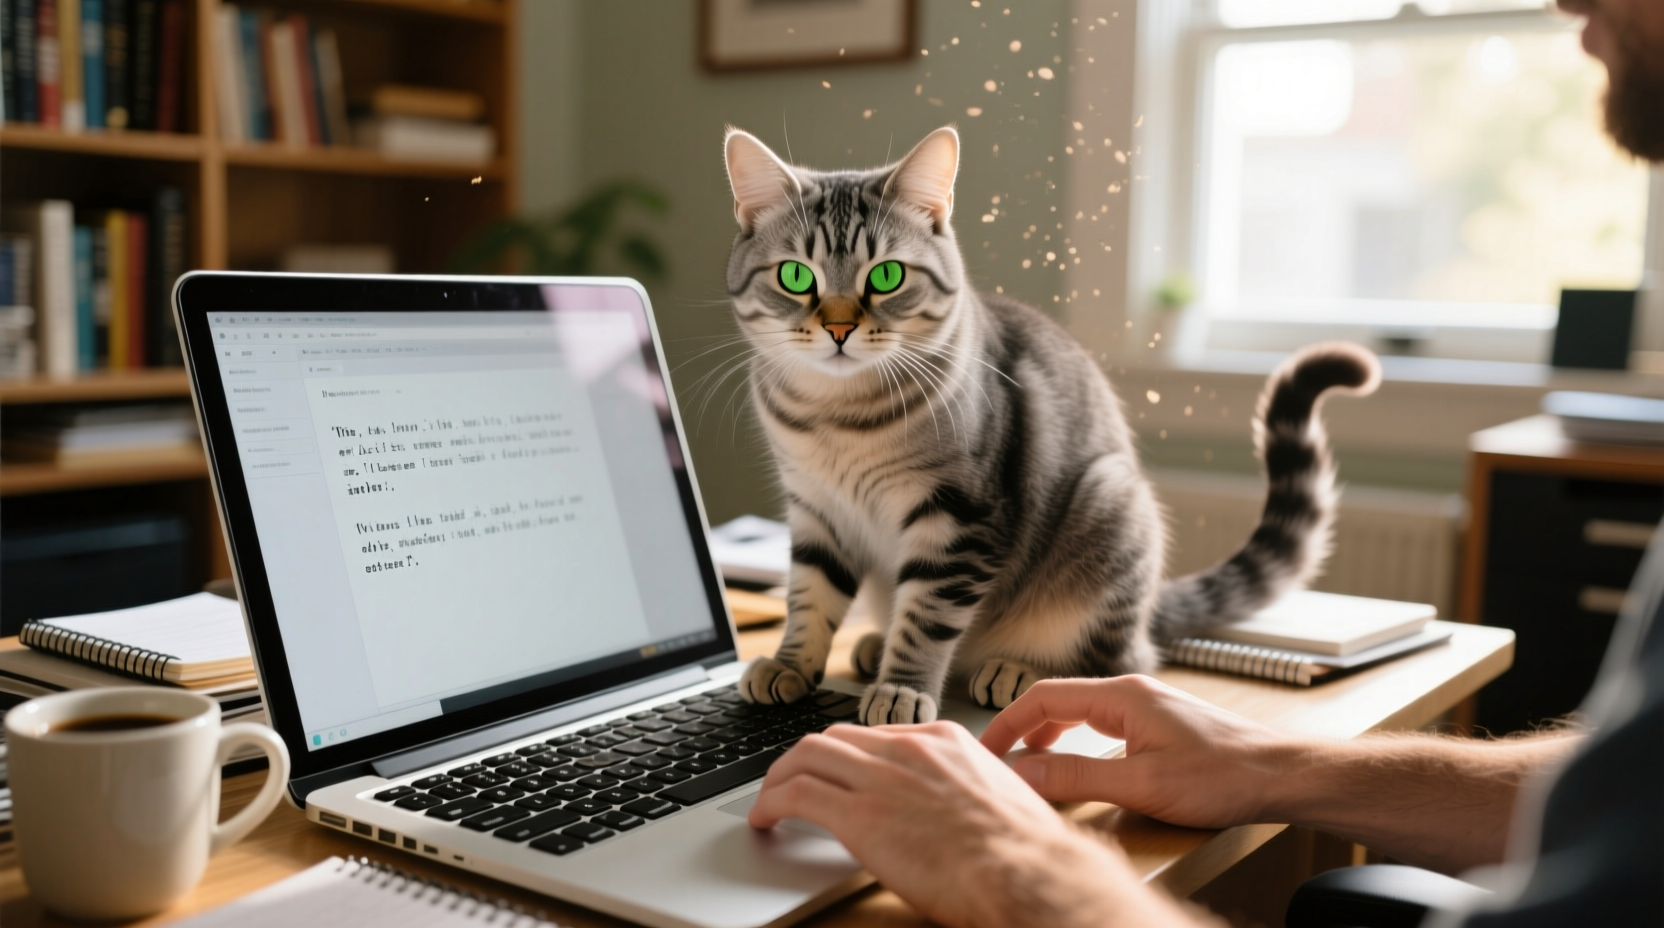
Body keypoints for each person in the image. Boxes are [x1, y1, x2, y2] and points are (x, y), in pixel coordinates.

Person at [746, 0, 1664, 924]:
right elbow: (1637, 804)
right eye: (796, 280)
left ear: (933, 236)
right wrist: (1278, 766)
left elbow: (964, 531)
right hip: (959, 650)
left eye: (879, 281)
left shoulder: (950, 376)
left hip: (1051, 610)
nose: (836, 315)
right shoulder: (792, 373)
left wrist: (1010, 864)